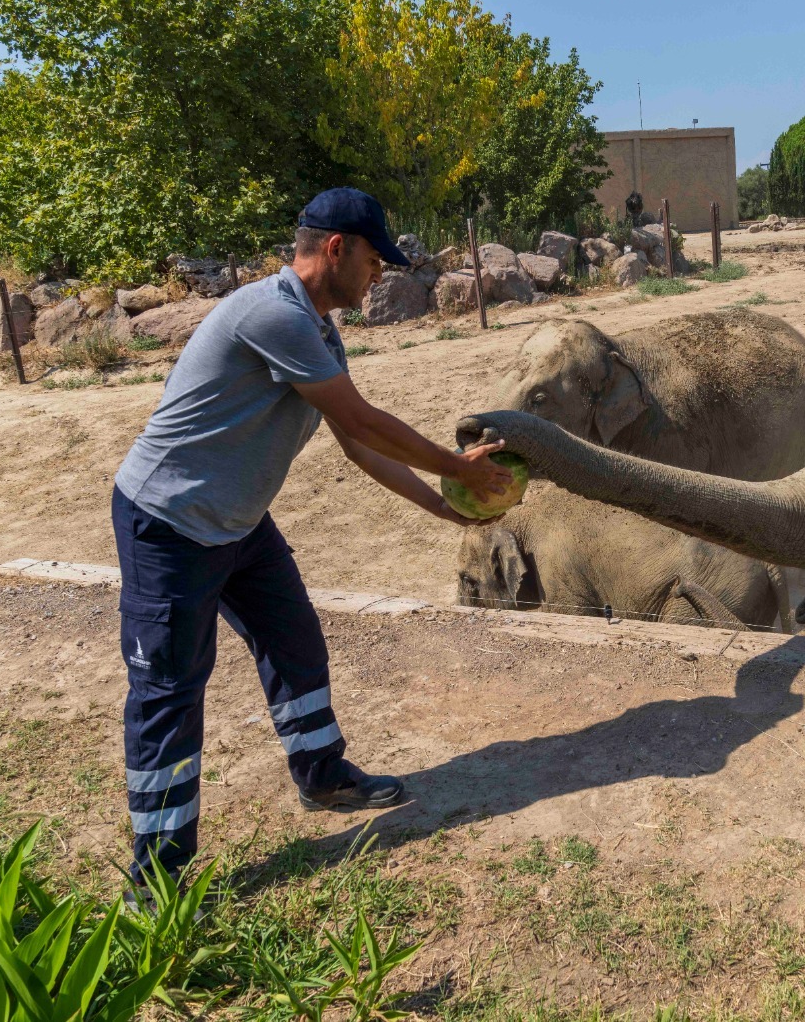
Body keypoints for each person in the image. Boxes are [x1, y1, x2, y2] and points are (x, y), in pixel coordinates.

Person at [111, 187, 513, 884]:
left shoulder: (319, 330)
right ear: (337, 249)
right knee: (170, 691)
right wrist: (458, 469)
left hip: (236, 521)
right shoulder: (274, 314)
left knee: (294, 641)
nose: (379, 275)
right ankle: (159, 881)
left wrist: (446, 507)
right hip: (170, 523)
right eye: (374, 260)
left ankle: (322, 776)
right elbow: (362, 423)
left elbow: (357, 447)